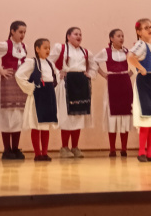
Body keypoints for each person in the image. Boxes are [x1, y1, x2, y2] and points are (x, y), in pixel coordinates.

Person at [0, 21, 28, 160]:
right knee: (6, 116)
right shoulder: (5, 45)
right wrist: (0, 70)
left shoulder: (24, 47)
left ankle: (15, 148)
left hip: (20, 84)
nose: (23, 35)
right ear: (12, 31)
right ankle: (7, 149)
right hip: (7, 82)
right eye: (20, 32)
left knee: (18, 116)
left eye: (24, 32)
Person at [52, 28, 98, 158]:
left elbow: (94, 66)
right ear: (68, 36)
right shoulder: (60, 48)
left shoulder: (86, 52)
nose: (79, 36)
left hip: (81, 85)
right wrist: (58, 73)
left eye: (80, 34)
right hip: (67, 84)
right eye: (75, 34)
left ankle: (75, 147)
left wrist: (90, 74)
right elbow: (49, 62)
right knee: (67, 117)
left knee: (79, 116)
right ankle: (64, 147)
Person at [127, 18, 151, 162]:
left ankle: (150, 152)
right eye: (146, 28)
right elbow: (130, 56)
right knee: (146, 117)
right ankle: (141, 152)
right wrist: (140, 68)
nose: (150, 30)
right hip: (145, 83)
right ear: (139, 32)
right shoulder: (141, 45)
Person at [16, 38, 59, 161]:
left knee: (45, 125)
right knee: (36, 125)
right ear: (37, 49)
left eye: (49, 48)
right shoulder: (32, 62)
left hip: (48, 96)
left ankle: (44, 153)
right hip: (37, 97)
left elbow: (56, 77)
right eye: (45, 48)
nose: (48, 50)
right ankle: (37, 154)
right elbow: (19, 75)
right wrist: (30, 88)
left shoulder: (50, 64)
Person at [95, 29, 133, 157]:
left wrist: (129, 73)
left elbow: (136, 65)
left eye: (122, 36)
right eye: (118, 36)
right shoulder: (106, 52)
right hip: (112, 84)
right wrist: (104, 74)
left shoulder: (128, 52)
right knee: (112, 115)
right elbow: (93, 62)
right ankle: (112, 148)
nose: (121, 38)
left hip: (125, 84)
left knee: (125, 115)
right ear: (111, 38)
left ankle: (124, 148)